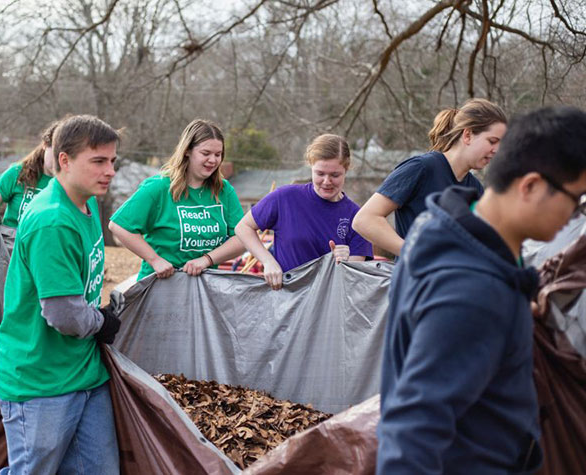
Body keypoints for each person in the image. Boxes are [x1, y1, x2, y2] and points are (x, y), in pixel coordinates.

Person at [377, 106, 586, 473]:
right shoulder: (473, 289)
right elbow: (414, 431)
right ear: (532, 185)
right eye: (575, 199)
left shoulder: (445, 226)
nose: (574, 216)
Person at [0, 115, 122, 475]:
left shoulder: (89, 202)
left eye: (112, 161)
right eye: (98, 161)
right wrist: (100, 321)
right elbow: (63, 315)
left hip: (84, 373)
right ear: (64, 160)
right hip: (39, 381)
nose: (109, 170)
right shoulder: (53, 221)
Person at [352, 98, 506, 257]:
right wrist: (413, 252)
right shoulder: (420, 168)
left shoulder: (475, 188)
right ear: (467, 135)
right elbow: (364, 219)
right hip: (415, 279)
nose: (496, 150)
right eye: (492, 141)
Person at [109, 119, 245, 280]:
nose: (213, 160)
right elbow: (119, 226)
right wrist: (154, 259)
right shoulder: (159, 187)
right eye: (206, 153)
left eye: (218, 154)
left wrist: (207, 260)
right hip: (160, 285)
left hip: (205, 286)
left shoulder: (224, 190)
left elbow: (242, 238)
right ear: (187, 151)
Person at [235, 134, 372, 290]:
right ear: (311, 166)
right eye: (320, 173)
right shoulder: (285, 198)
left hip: (328, 306)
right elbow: (243, 227)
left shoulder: (357, 218)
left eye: (335, 175)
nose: (327, 181)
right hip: (286, 302)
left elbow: (353, 281)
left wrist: (346, 262)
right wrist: (268, 262)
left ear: (346, 170)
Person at [0, 121, 57, 228]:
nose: (58, 162)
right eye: (55, 154)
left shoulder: (72, 184)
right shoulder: (17, 172)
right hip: (10, 242)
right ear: (45, 145)